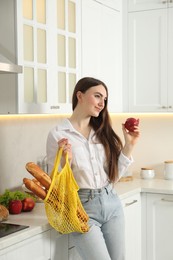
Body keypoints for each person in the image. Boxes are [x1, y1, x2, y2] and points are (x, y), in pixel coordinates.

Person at [46, 77, 140, 260]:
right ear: (79, 96)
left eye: (104, 99)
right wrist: (66, 162)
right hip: (81, 208)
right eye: (97, 96)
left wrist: (129, 145)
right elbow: (56, 185)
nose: (101, 104)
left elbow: (113, 176)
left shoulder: (102, 131)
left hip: (111, 202)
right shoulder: (58, 134)